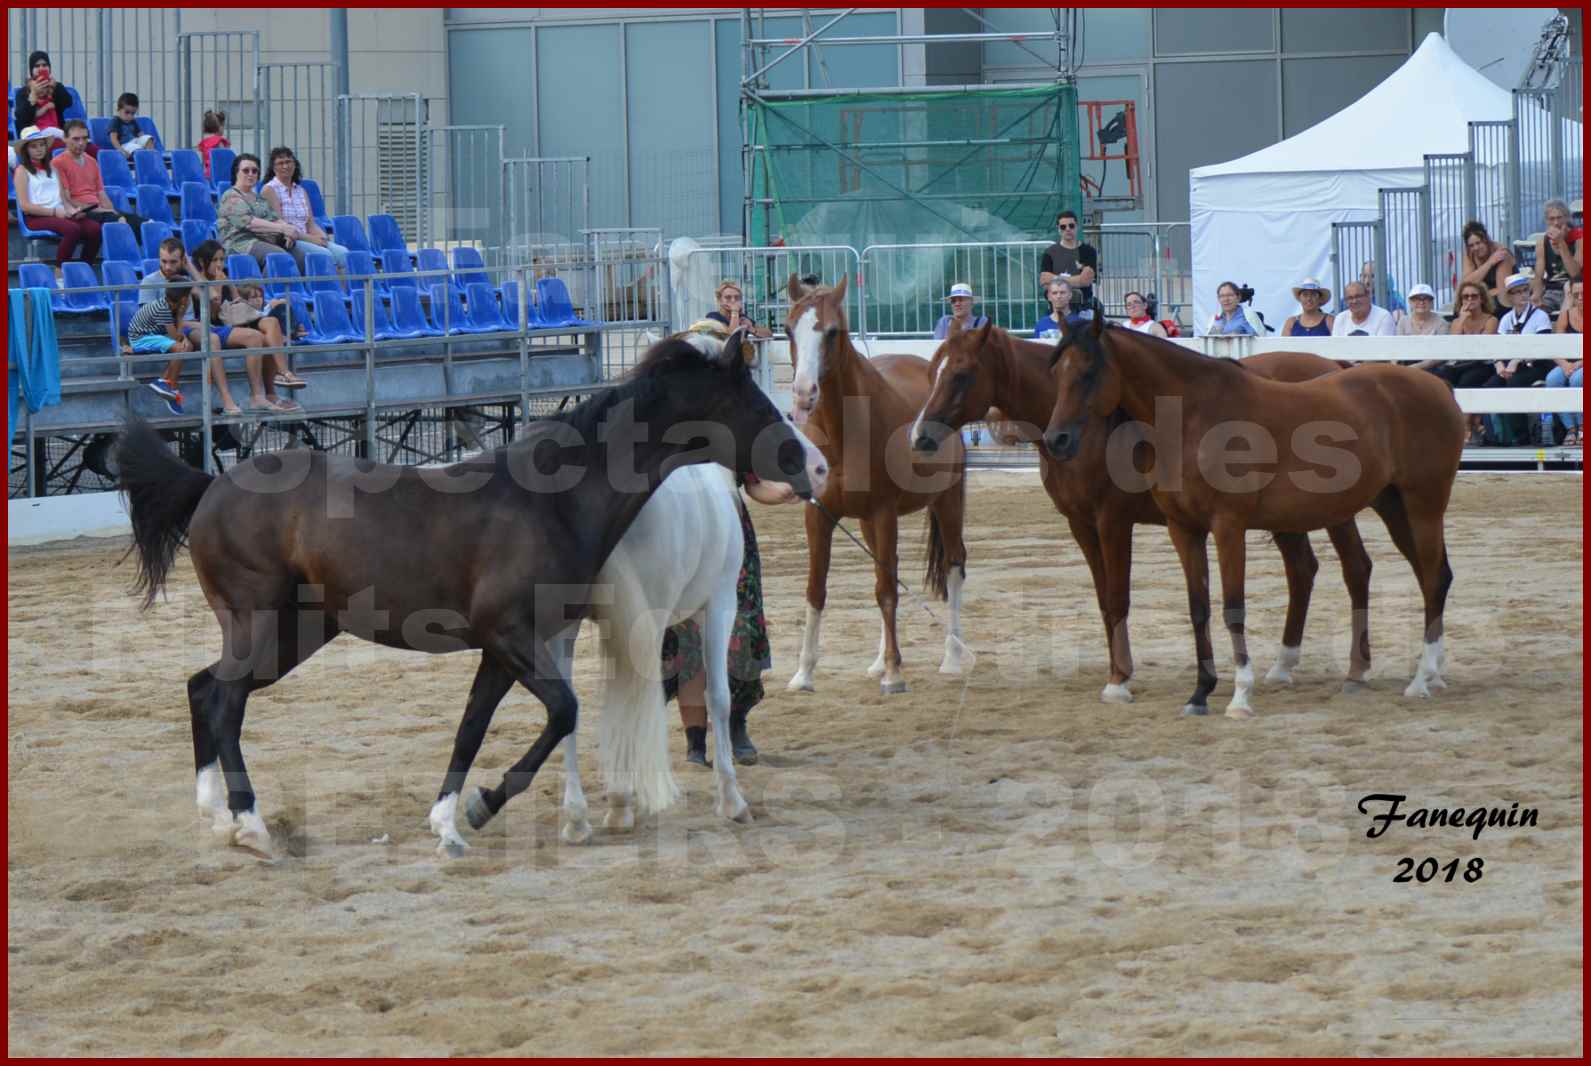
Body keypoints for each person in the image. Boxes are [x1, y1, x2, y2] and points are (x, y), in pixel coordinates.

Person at [664, 472, 798, 768]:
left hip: (731, 540)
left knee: (743, 639)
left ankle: (737, 726)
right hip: (681, 538)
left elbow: (755, 484)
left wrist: (785, 492)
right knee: (686, 645)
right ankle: (695, 743)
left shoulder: (730, 433)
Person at [189, 239, 305, 414]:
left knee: (272, 323)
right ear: (202, 262)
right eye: (215, 260)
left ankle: (284, 373)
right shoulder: (197, 284)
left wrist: (259, 306)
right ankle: (266, 393)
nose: (220, 264)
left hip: (238, 320)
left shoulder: (224, 277)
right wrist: (219, 287)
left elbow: (239, 303)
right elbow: (214, 316)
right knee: (263, 338)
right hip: (221, 326)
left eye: (221, 259)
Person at [13, 125, 102, 268]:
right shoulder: (21, 171)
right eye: (34, 146)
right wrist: (55, 212)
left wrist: (72, 211)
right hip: (36, 217)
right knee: (72, 229)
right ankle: (60, 271)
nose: (39, 149)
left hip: (59, 213)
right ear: (26, 150)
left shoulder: (53, 168)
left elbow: (62, 197)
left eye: (41, 145)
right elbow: (25, 206)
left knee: (95, 228)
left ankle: (84, 268)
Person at [1483, 272, 1554, 445]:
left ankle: (1521, 437)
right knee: (1489, 386)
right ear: (1510, 297)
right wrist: (1499, 364)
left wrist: (1516, 361)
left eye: (1525, 290)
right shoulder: (1506, 319)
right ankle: (1497, 436)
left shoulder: (1540, 315)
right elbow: (1498, 347)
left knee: (1514, 383)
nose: (1523, 295)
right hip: (1511, 366)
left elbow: (1541, 347)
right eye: (1517, 292)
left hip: (1535, 365)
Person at [217, 153, 310, 270]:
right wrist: (282, 229)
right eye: (246, 171)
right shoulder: (230, 196)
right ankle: (269, 288)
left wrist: (288, 231)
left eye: (254, 171)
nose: (251, 174)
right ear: (236, 173)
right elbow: (250, 223)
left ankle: (295, 288)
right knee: (278, 256)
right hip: (240, 244)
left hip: (264, 241)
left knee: (301, 257)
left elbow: (274, 219)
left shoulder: (258, 198)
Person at [52, 119, 145, 235]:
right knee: (120, 222)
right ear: (65, 139)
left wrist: (111, 210)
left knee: (145, 224)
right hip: (81, 212)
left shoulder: (92, 161)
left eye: (84, 138)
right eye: (76, 139)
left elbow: (101, 193)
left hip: (99, 210)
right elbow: (67, 198)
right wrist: (99, 210)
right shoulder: (58, 163)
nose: (81, 143)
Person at [1438, 280, 1499, 446]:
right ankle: (1446, 426)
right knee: (1441, 378)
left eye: (1474, 296)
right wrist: (1462, 320)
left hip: (1482, 364)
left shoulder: (1490, 320)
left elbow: (1483, 347)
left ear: (1482, 299)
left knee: (1468, 381)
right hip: (1460, 363)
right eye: (1465, 297)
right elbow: (1453, 347)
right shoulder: (1458, 322)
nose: (1469, 300)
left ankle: (1465, 428)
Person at [124, 284, 199, 416]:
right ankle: (171, 386)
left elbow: (178, 334)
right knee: (181, 348)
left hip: (155, 335)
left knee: (189, 346)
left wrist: (184, 338)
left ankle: (165, 383)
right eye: (188, 297)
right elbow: (175, 337)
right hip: (141, 338)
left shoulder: (171, 305)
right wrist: (181, 316)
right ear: (183, 299)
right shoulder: (162, 308)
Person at [13, 51, 83, 154]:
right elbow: (22, 118)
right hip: (35, 136)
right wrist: (33, 95)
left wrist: (56, 87)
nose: (41, 68)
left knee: (89, 147)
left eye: (44, 65)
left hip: (57, 131)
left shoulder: (55, 87)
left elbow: (68, 102)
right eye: (37, 66)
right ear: (31, 70)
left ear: (49, 68)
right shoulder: (23, 92)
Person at [1544, 279, 1583, 446]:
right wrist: (1564, 364)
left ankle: (1583, 426)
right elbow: (1554, 346)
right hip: (1569, 362)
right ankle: (1570, 428)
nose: (1581, 298)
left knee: (1577, 380)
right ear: (1571, 297)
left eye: (1584, 294)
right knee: (1552, 380)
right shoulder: (1566, 314)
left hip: (1583, 363)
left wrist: (1579, 364)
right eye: (1576, 295)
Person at [1038, 209, 1098, 312]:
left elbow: (1086, 281)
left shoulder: (1089, 251)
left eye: (1071, 225)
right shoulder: (1049, 252)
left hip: (1082, 306)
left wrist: (1055, 279)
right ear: (1058, 229)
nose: (1067, 229)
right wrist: (1077, 280)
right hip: (1056, 308)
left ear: (1077, 226)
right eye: (1063, 227)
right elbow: (1044, 281)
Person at [1531, 198, 1581, 314]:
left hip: (1575, 289)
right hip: (1552, 291)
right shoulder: (1542, 243)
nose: (1556, 223)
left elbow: (1575, 273)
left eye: (1559, 218)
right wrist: (1536, 296)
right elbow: (1538, 277)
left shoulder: (1579, 239)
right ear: (1546, 221)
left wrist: (1561, 243)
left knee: (1567, 311)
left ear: (1567, 218)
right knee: (1534, 312)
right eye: (1551, 219)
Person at [1459, 219, 1514, 317]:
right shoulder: (1470, 255)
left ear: (1486, 240)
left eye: (1478, 243)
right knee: (1460, 309)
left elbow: (1503, 292)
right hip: (1481, 296)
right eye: (1471, 245)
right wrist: (1489, 263)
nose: (1475, 248)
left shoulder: (1501, 253)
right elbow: (1466, 285)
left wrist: (1479, 295)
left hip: (1503, 298)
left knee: (1496, 307)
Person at [703, 279, 772, 338]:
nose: (733, 300)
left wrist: (752, 329)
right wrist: (735, 312)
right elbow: (731, 337)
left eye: (737, 297)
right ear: (719, 300)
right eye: (728, 297)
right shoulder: (713, 316)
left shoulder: (742, 317)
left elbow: (769, 333)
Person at [1331, 281, 1395, 337]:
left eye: (1358, 296)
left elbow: (1383, 348)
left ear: (1368, 296)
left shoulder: (1383, 317)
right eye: (1350, 298)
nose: (1354, 301)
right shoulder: (1340, 318)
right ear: (1345, 301)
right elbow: (1335, 347)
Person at [107, 92, 153, 156]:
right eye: (127, 112)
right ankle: (142, 157)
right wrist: (120, 150)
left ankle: (150, 156)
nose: (130, 116)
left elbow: (141, 134)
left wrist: (145, 141)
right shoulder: (115, 121)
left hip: (134, 142)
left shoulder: (133, 121)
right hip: (124, 145)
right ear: (118, 110)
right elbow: (113, 139)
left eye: (133, 113)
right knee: (135, 148)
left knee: (148, 138)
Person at [197, 110, 230, 179]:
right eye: (223, 126)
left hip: (208, 174)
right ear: (219, 127)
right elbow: (225, 159)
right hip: (220, 174)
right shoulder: (219, 141)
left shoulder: (204, 142)